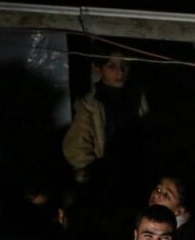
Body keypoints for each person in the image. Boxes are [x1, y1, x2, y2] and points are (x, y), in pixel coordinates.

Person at [63, 50, 148, 183]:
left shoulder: (137, 97)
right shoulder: (91, 104)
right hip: (109, 177)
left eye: (124, 65)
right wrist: (94, 173)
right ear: (99, 69)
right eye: (112, 66)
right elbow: (75, 146)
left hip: (137, 171)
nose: (120, 72)